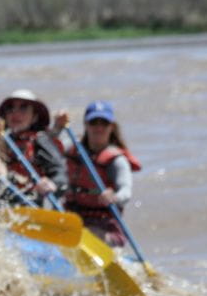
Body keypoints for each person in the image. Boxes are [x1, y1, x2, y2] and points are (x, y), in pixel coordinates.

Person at [54, 101, 141, 247]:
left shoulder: (117, 160)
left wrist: (114, 197)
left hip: (105, 227)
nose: (99, 128)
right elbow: (47, 147)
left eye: (104, 123)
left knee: (89, 234)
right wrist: (57, 127)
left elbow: (126, 192)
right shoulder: (71, 149)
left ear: (111, 127)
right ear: (86, 125)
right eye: (94, 123)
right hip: (72, 220)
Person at [0, 88, 68, 206]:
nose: (16, 113)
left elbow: (59, 173)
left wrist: (53, 184)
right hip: (3, 203)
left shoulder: (40, 140)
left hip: (33, 203)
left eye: (23, 108)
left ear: (34, 117)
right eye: (10, 109)